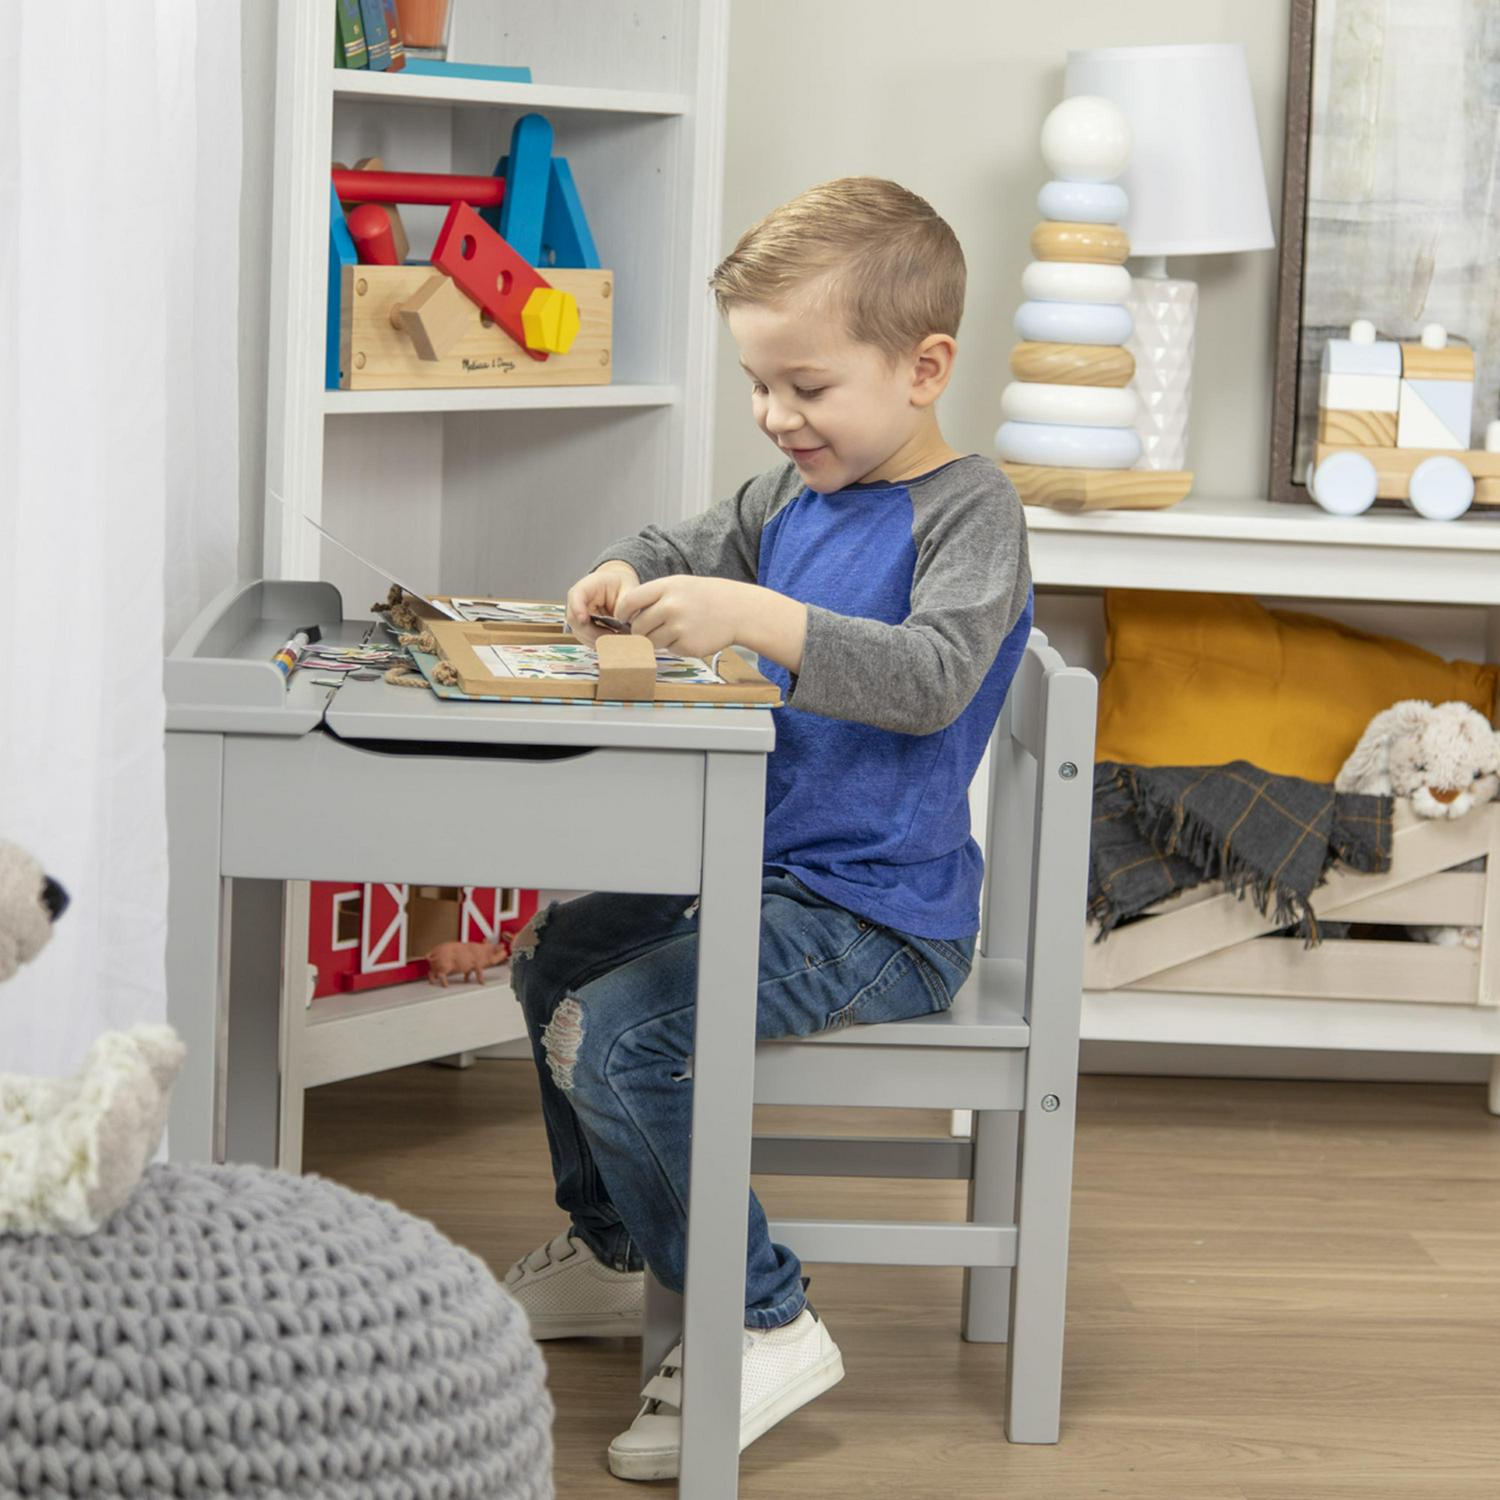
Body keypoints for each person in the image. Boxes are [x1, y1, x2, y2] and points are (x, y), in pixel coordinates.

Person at [504, 176, 1033, 1481]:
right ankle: (614, 1244)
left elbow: (927, 678)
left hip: (878, 912)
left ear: (924, 368)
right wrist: (623, 579)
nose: (776, 415)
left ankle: (761, 1318)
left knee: (621, 1040)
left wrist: (759, 624)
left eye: (807, 386)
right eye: (759, 383)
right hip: (753, 875)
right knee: (555, 958)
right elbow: (668, 541)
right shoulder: (782, 502)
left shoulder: (972, 514)